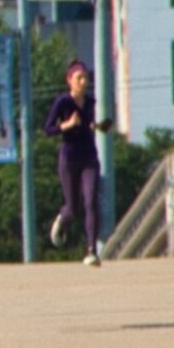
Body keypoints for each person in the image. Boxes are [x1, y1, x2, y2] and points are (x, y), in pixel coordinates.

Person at [45, 61, 111, 266]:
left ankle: (92, 250)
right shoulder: (63, 103)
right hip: (69, 158)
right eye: (79, 78)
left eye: (86, 77)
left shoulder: (91, 102)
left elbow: (88, 125)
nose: (83, 81)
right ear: (70, 81)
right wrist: (67, 124)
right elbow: (48, 129)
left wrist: (97, 126)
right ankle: (61, 220)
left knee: (90, 201)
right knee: (72, 207)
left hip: (89, 157)